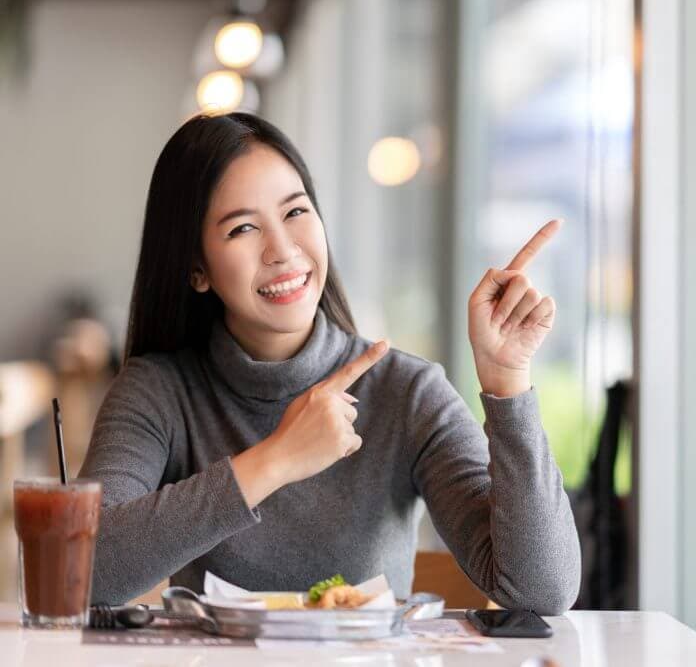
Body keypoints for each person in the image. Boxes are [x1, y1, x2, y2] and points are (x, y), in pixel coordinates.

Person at [79, 112, 581, 615]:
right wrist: (275, 460)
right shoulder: (158, 392)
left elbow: (541, 592)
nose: (282, 251)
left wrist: (507, 382)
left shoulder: (407, 393)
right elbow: (80, 571)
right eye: (243, 228)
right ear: (196, 270)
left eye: (296, 213)